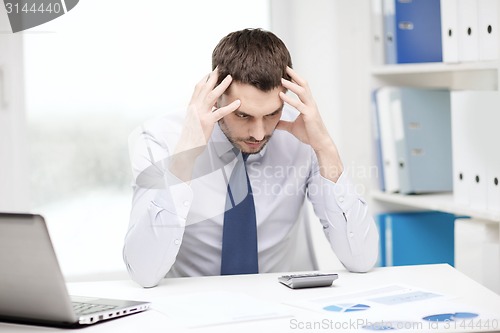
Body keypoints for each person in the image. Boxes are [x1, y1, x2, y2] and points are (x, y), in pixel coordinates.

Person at [123, 28, 379, 288]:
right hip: (194, 309)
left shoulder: (301, 135)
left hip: (282, 305)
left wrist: (325, 147)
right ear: (215, 96)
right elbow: (143, 272)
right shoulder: (159, 139)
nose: (259, 133)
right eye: (243, 115)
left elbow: (362, 259)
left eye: (271, 114)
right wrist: (185, 157)